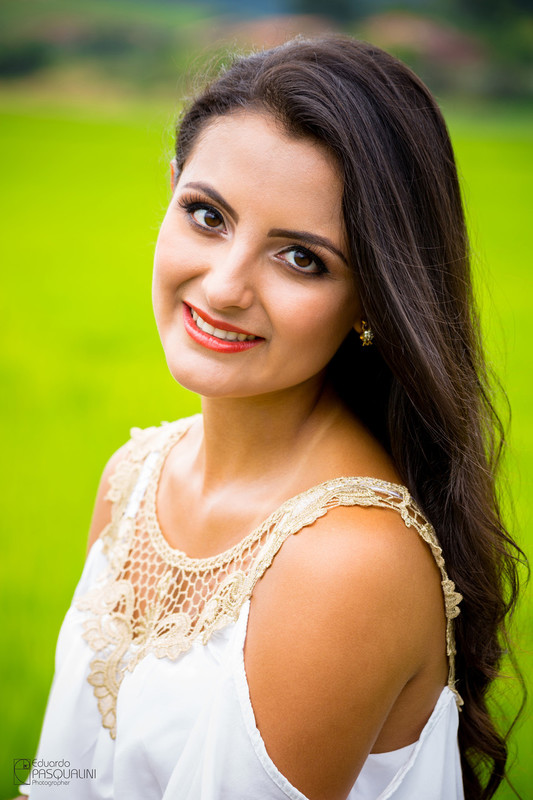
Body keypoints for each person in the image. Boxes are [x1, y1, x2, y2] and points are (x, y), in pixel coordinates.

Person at [18, 35, 523, 800]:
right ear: (170, 192)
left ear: (370, 302)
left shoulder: (347, 562)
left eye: (301, 258)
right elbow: (61, 776)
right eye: (206, 215)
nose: (223, 286)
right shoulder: (133, 478)